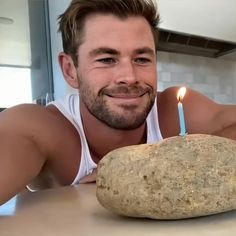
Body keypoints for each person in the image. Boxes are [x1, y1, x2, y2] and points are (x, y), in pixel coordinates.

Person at [0, 0, 236, 206]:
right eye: (107, 59)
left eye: (142, 59)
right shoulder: (41, 127)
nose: (130, 76)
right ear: (70, 69)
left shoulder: (173, 110)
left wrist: (144, 167)